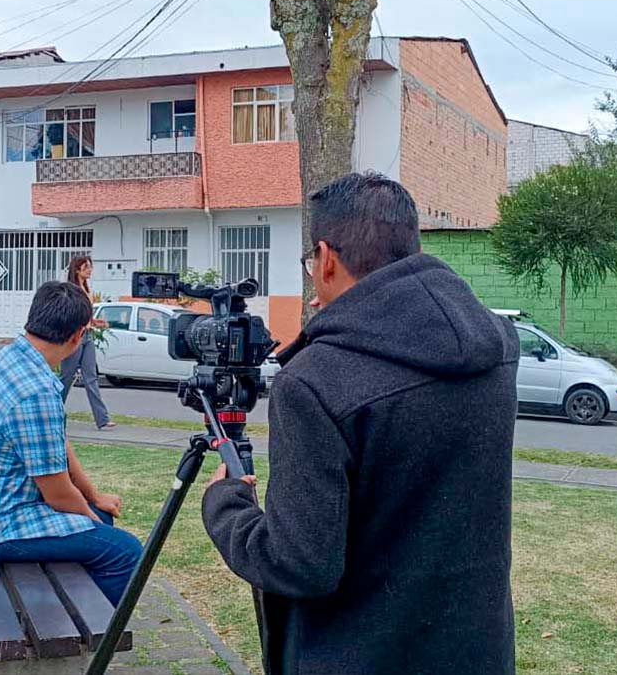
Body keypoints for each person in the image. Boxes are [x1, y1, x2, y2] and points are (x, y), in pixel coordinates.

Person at [201, 173, 519, 675]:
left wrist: (225, 505)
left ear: (326, 258)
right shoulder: (497, 346)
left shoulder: (313, 382)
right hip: (475, 650)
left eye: (311, 263)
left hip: (354, 654)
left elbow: (299, 564)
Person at [0, 280, 143, 604]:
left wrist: (94, 497)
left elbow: (58, 441)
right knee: (125, 551)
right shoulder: (36, 391)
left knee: (99, 519)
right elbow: (59, 495)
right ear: (77, 336)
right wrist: (91, 521)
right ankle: (89, 636)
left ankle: (64, 610)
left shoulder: (11, 359)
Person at [58, 255, 116, 430]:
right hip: (75, 337)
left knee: (91, 377)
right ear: (77, 270)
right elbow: (69, 313)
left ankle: (102, 419)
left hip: (88, 336)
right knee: (66, 378)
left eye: (90, 267)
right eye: (86, 267)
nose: (90, 270)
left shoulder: (87, 289)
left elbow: (86, 315)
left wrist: (95, 322)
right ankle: (51, 412)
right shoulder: (71, 290)